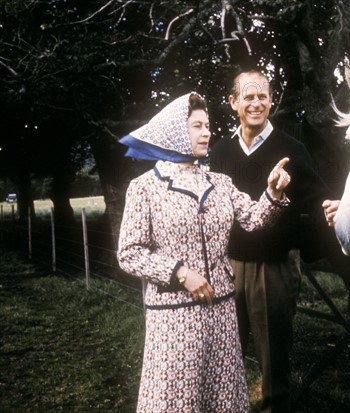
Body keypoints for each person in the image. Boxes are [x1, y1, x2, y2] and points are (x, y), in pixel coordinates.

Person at [117, 92, 292, 413]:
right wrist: (180, 273)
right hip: (173, 316)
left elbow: (254, 221)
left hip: (223, 311)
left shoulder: (220, 183)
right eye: (196, 126)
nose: (207, 132)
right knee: (175, 400)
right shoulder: (145, 187)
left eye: (208, 125)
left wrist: (273, 192)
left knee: (223, 398)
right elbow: (129, 252)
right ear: (174, 131)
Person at [209, 70, 339, 413]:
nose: (256, 103)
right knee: (226, 353)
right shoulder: (219, 152)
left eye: (263, 96)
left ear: (271, 100)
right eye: (248, 97)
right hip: (228, 267)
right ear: (233, 103)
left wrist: (332, 208)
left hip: (275, 267)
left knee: (274, 360)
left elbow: (317, 198)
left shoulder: (291, 149)